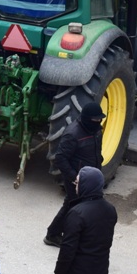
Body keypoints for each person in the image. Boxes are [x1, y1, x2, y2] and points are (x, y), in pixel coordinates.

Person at [45, 101, 104, 247]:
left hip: (91, 176)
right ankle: (53, 234)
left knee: (87, 207)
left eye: (99, 120)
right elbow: (60, 159)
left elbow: (96, 151)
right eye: (95, 120)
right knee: (71, 206)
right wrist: (75, 178)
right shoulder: (73, 134)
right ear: (86, 118)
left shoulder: (96, 130)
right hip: (76, 178)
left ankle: (79, 235)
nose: (98, 122)